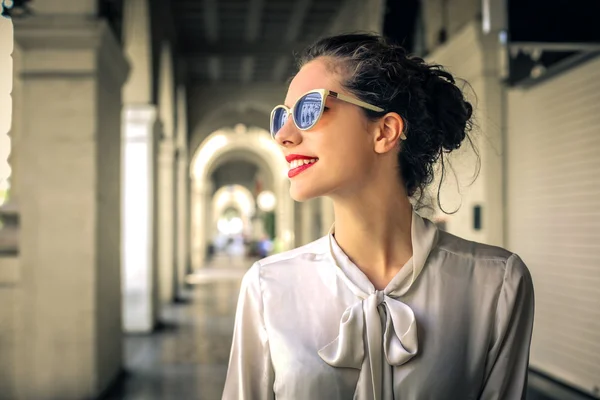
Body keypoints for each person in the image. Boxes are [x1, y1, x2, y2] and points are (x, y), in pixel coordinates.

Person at [222, 33, 535, 400]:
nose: (284, 136)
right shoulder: (267, 287)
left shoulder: (497, 284)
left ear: (385, 131)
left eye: (308, 110)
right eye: (282, 117)